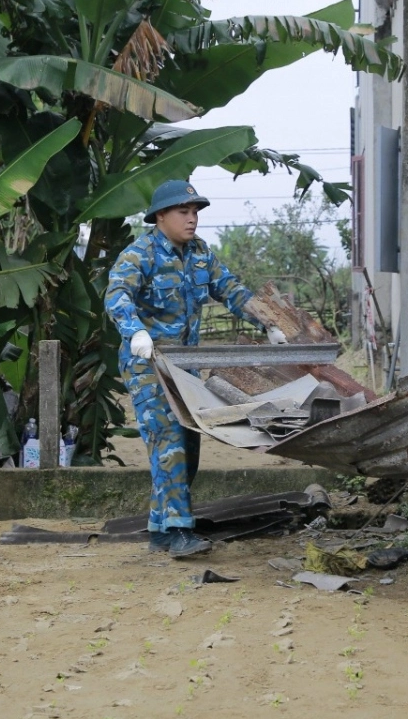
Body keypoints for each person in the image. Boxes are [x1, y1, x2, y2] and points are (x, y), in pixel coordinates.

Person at [105, 180, 286, 559]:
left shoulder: (200, 254)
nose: (192, 220)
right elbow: (117, 295)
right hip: (148, 363)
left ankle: (163, 529)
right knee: (168, 439)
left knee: (188, 442)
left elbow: (232, 290)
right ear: (160, 216)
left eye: (195, 213)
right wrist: (134, 331)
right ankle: (177, 529)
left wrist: (268, 323)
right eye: (183, 212)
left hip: (186, 365)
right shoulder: (139, 254)